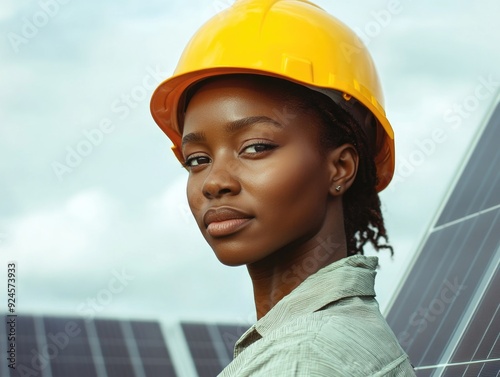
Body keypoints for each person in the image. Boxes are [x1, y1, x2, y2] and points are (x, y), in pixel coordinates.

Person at [150, 0, 416, 375]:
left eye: (256, 147)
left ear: (340, 168)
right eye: (197, 159)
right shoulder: (314, 345)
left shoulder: (300, 360)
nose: (215, 182)